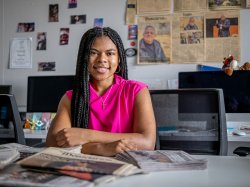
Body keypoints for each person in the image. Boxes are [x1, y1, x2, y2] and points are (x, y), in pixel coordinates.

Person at [46, 27, 156, 157]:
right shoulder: (71, 98)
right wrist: (101, 148)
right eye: (93, 53)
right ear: (84, 58)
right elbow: (53, 143)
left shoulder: (137, 91)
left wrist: (86, 135)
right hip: (85, 169)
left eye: (110, 53)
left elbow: (147, 142)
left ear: (119, 58)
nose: (101, 59)